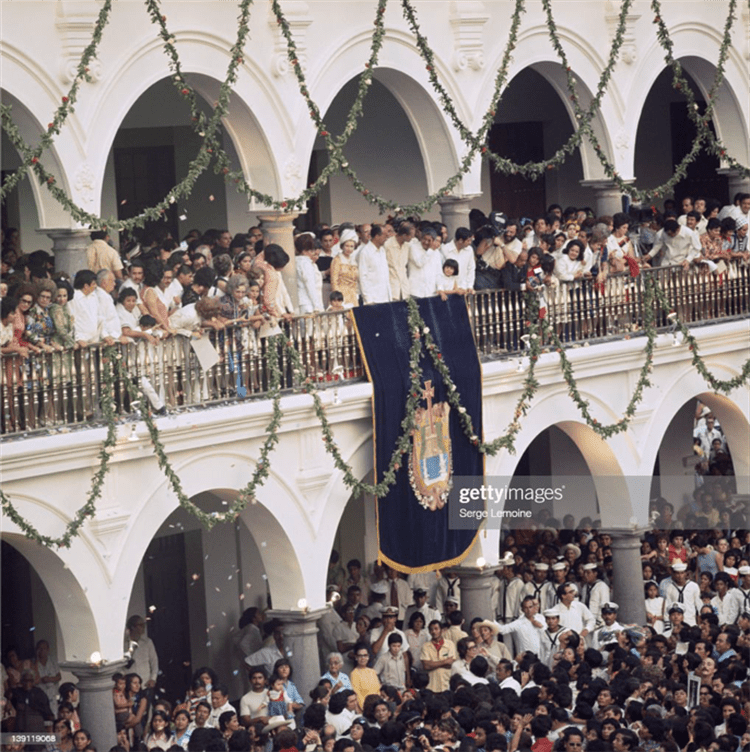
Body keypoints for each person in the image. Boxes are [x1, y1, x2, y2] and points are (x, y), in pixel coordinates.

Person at [357, 224, 391, 304]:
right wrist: (368, 299)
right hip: (373, 299)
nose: (387, 238)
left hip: (385, 298)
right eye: (385, 236)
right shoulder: (365, 252)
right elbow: (363, 277)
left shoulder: (382, 250)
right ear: (376, 236)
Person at [419, 619, 456, 692]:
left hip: (446, 684)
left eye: (436, 629)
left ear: (441, 630)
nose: (434, 632)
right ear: (429, 632)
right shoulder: (426, 646)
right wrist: (445, 661)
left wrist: (432, 664)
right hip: (431, 685)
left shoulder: (450, 644)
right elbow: (426, 666)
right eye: (431, 629)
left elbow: (451, 664)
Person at [330, 229, 360, 307]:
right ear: (342, 246)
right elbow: (334, 280)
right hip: (341, 293)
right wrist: (337, 298)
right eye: (347, 246)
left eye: (351, 246)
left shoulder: (354, 261)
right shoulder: (337, 260)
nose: (349, 249)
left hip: (353, 294)